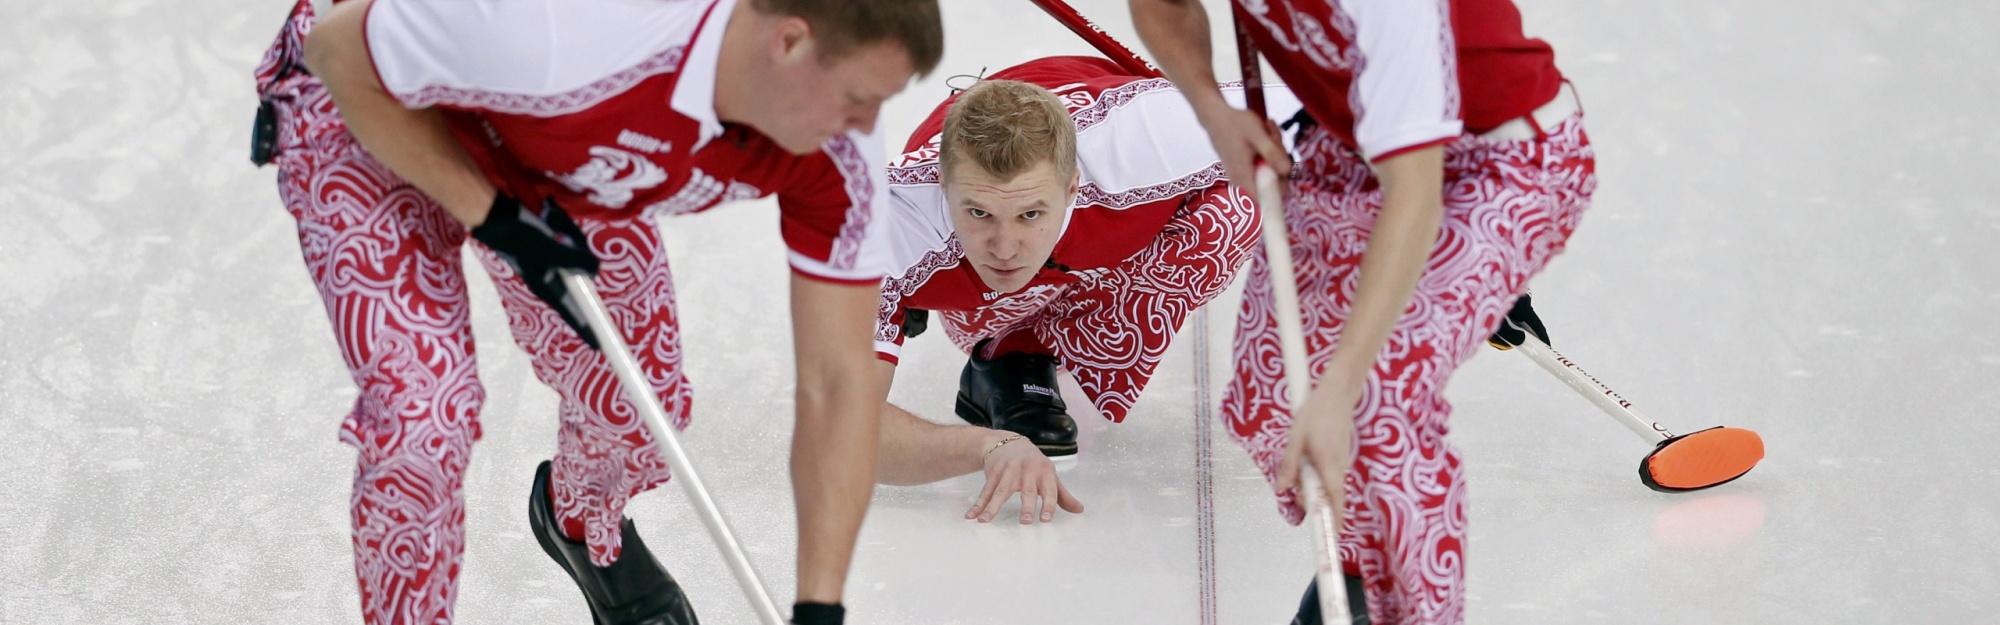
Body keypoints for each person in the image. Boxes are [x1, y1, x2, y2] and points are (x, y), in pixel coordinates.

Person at [251, 0, 940, 622]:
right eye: (856, 97)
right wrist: (491, 214)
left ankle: (579, 522)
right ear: (788, 42)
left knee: (639, 405)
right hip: (369, 101)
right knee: (424, 414)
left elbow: (839, 381)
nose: (866, 127)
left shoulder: (838, 152)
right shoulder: (572, 31)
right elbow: (340, 49)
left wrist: (819, 607)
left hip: (555, 153)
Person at [1130, 0, 1596, 623]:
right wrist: (1214, 111)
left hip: (1504, 161)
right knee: (1267, 397)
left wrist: (1343, 384)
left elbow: (1416, 193)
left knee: (1375, 403)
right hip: (1359, 141)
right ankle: (1362, 578)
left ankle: (1388, 606)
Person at [863, 56, 1297, 524]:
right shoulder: (881, 233)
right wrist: (989, 445)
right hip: (950, 276)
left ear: (1072, 187)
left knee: (1240, 208)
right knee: (893, 292)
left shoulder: (1152, 143)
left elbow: (1359, 122)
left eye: (1030, 213)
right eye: (979, 213)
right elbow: (840, 431)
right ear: (944, 187)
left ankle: (1025, 347)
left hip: (1118, 155)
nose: (1005, 248)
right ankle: (938, 312)